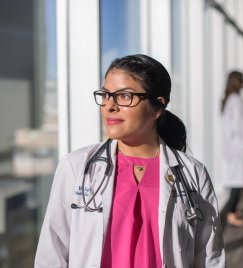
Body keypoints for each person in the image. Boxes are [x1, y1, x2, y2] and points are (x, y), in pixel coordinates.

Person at [35, 54, 225, 267]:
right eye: (106, 95)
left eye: (125, 96)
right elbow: (52, 252)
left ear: (157, 108)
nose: (109, 105)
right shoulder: (76, 166)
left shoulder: (193, 174)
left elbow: (209, 257)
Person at [221, 70, 243, 228]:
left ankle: (232, 211)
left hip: (231, 147)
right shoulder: (236, 100)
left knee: (236, 181)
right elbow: (239, 126)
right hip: (238, 147)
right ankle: (231, 214)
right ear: (237, 82)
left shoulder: (229, 99)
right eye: (242, 79)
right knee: (237, 182)